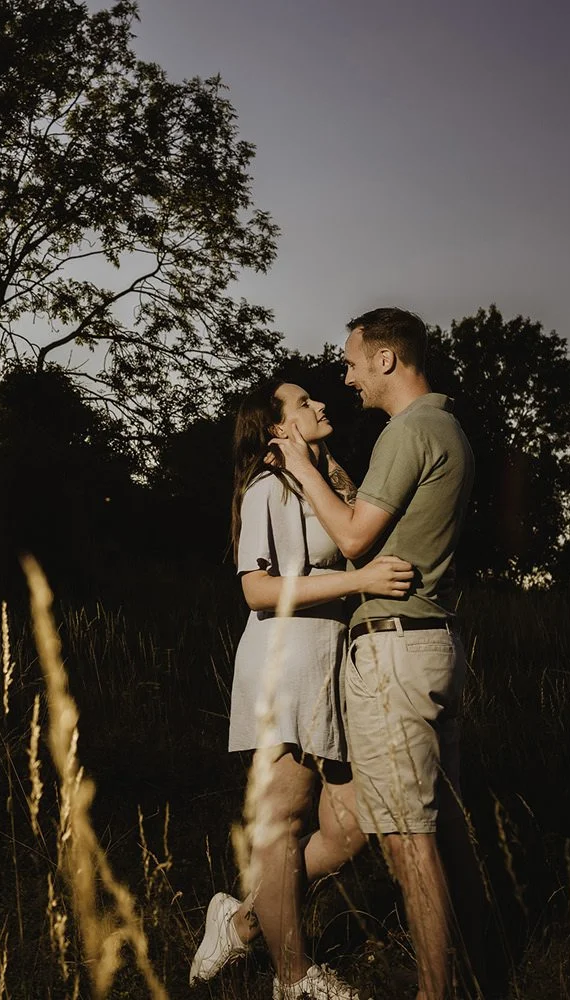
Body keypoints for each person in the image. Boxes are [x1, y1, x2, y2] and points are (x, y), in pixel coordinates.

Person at [271, 308, 475, 1000]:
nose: (347, 376)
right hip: (433, 645)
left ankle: (432, 992)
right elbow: (384, 529)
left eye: (353, 361)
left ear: (387, 359)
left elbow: (357, 540)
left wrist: (300, 463)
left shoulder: (408, 430)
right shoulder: (443, 428)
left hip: (394, 656)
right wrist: (326, 471)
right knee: (426, 828)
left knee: (407, 841)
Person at [190, 378, 416, 999]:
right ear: (274, 428)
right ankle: (295, 980)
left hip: (332, 668)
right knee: (284, 823)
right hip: (284, 665)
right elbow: (256, 592)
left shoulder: (318, 482)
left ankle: (240, 920)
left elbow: (358, 530)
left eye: (316, 398)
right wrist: (357, 581)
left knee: (349, 830)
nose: (321, 404)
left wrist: (317, 461)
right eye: (303, 403)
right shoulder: (267, 489)